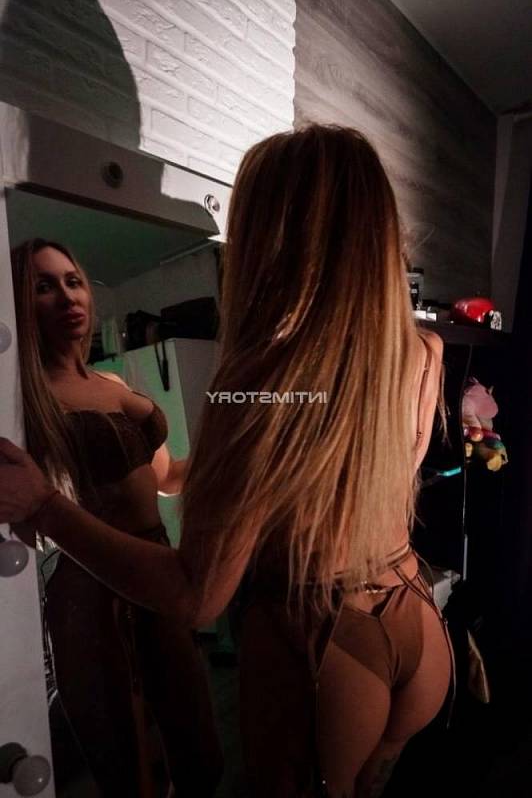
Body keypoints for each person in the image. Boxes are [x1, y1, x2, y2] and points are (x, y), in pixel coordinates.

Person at [1, 126, 453, 797]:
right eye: (44, 287)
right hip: (413, 613)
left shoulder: (263, 383)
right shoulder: (422, 348)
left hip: (323, 637)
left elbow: (198, 595)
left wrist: (43, 507)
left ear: (272, 239)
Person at [5, 239, 222, 798]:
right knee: (126, 767)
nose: (66, 296)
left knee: (198, 751)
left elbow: (167, 478)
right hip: (91, 585)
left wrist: (235, 449)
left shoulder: (115, 385)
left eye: (72, 281)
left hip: (156, 566)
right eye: (43, 286)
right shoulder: (23, 399)